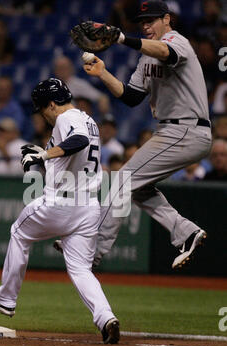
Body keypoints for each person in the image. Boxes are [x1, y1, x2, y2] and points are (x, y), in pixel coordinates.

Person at [0, 78, 120, 345]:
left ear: (52, 104)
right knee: (81, 269)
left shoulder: (65, 118)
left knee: (18, 232)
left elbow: (77, 141)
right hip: (89, 206)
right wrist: (40, 152)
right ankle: (106, 318)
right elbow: (72, 150)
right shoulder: (88, 119)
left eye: (42, 109)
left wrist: (43, 157)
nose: (42, 115)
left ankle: (6, 298)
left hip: (61, 202)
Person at [81, 1, 212, 270]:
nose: (146, 25)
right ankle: (185, 232)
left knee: (121, 182)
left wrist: (119, 38)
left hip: (186, 129)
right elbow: (131, 97)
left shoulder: (177, 41)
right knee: (138, 188)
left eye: (152, 20)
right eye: (142, 21)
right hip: (172, 130)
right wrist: (103, 73)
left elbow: (166, 51)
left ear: (167, 19)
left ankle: (91, 249)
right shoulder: (145, 57)